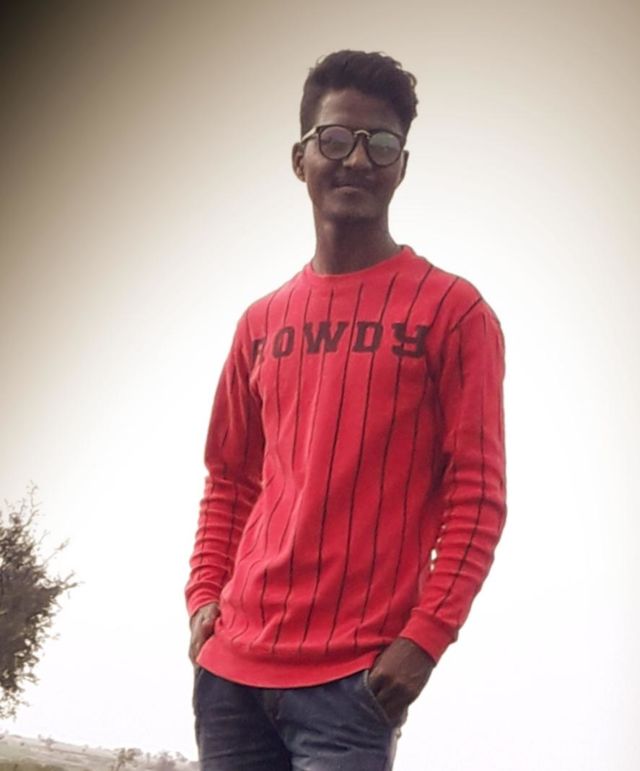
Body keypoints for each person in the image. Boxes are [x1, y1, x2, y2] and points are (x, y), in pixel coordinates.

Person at [185, 49, 507, 771]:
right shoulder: (260, 322)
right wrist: (204, 597)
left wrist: (424, 640)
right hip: (232, 677)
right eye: (335, 139)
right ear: (300, 158)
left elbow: (477, 497)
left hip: (353, 685)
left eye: (381, 143)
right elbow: (229, 481)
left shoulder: (454, 313)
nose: (357, 159)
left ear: (401, 166)